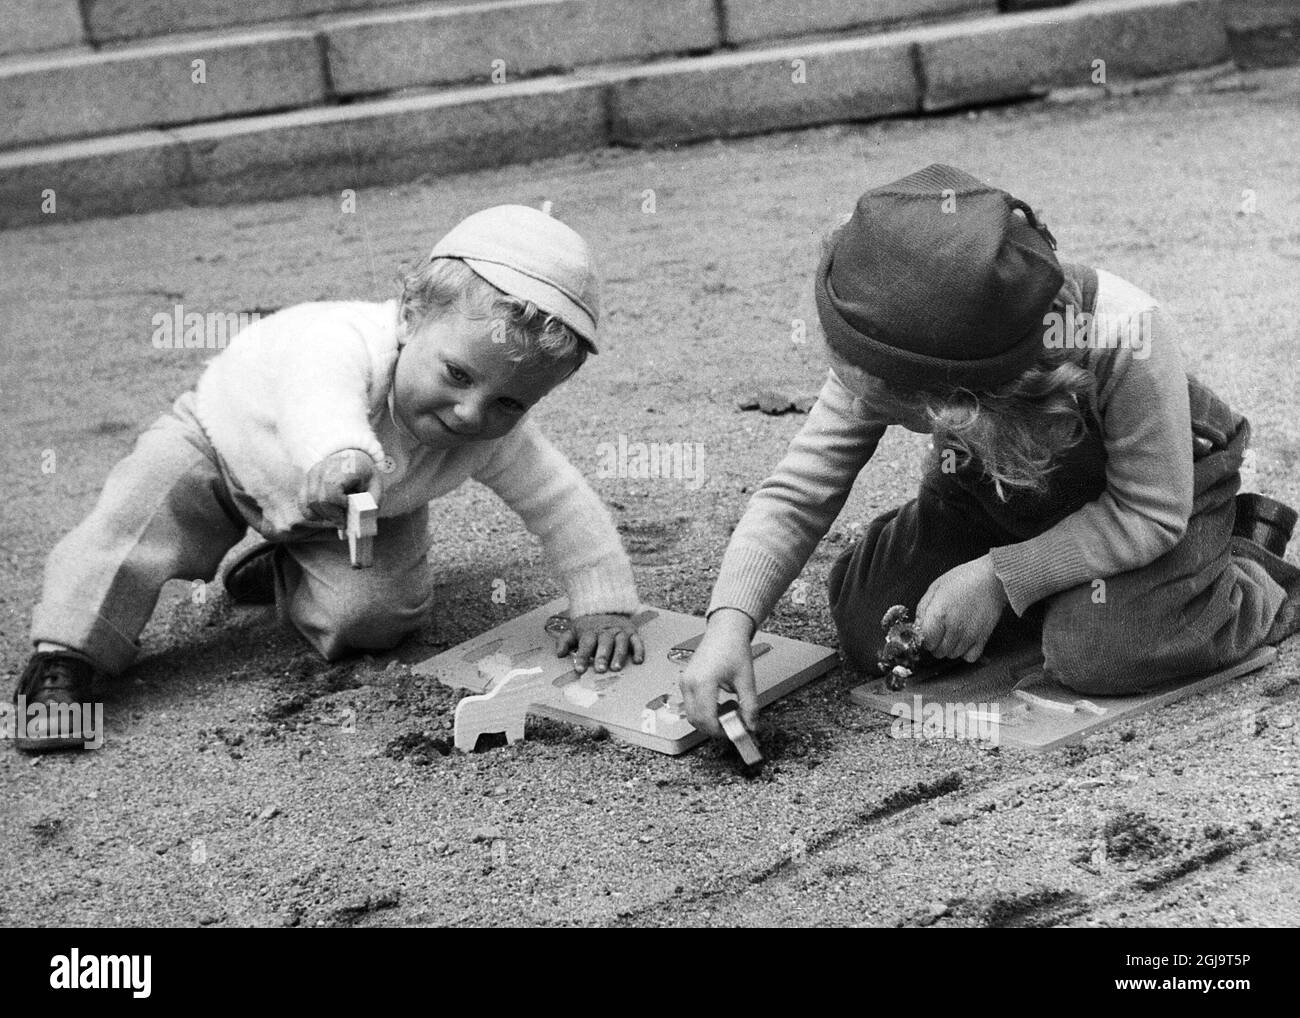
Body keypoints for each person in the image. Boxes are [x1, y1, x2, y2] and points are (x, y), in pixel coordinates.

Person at [682, 164, 1300, 736]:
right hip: (995, 488)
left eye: (884, 400)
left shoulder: (1124, 331)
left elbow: (1149, 514)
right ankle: (1055, 590)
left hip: (1160, 495)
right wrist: (728, 627)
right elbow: (797, 494)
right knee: (872, 625)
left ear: (955, 404)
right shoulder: (889, 334)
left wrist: (1002, 579)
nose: (851, 389)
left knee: (1098, 651)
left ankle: (1244, 577)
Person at [15, 204, 645, 752]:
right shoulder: (345, 339)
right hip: (227, 447)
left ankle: (286, 569)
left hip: (346, 513)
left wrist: (605, 602)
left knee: (376, 618)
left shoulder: (492, 432)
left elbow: (559, 501)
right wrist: (339, 452)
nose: (472, 413)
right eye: (457, 374)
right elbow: (316, 391)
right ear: (410, 318)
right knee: (133, 525)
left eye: (510, 402)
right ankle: (68, 655)